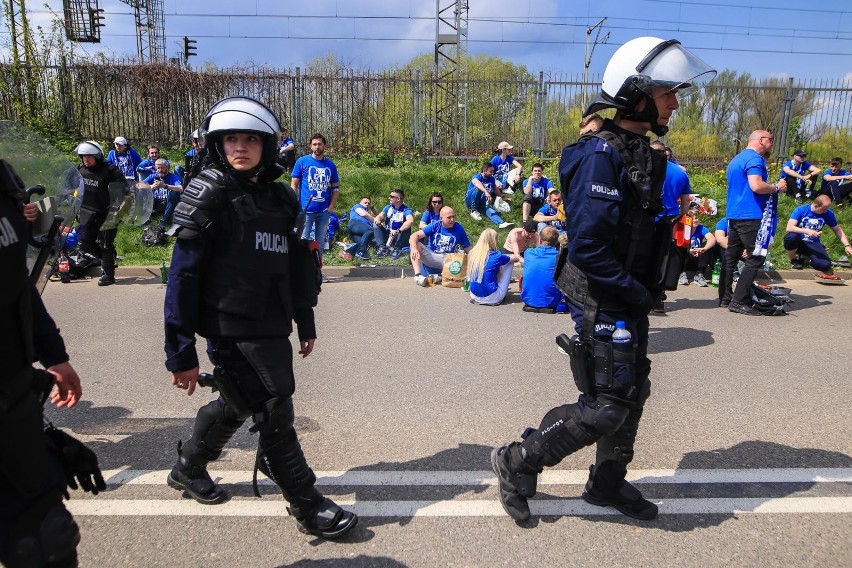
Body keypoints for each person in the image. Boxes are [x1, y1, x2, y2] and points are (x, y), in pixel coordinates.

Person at [491, 36, 716, 523]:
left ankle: (607, 484)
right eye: (666, 92)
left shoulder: (642, 153)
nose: (675, 101)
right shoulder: (601, 155)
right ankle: (516, 460)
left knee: (633, 390)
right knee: (605, 407)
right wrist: (634, 291)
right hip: (603, 295)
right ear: (636, 94)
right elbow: (590, 246)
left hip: (626, 295)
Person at [164, 96, 357, 539]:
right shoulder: (207, 193)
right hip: (228, 326)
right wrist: (180, 352)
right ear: (218, 143)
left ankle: (188, 467)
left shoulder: (280, 197)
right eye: (231, 138)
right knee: (274, 408)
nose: (240, 147)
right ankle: (307, 504)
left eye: (251, 139)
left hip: (272, 324)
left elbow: (298, 266)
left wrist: (305, 322)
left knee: (236, 402)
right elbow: (182, 277)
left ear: (268, 145)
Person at [1, 165, 104, 568]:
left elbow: (15, 281)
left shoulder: (3, 181)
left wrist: (54, 356)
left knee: (47, 535)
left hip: (12, 388)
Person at [720, 130, 786, 315]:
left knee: (731, 257)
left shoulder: (737, 159)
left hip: (734, 214)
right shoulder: (755, 159)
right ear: (761, 140)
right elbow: (756, 185)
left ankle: (725, 298)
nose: (772, 144)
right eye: (770, 140)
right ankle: (738, 301)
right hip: (750, 215)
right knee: (756, 257)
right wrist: (776, 187)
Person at [75, 140, 128, 286]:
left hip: (107, 214)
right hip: (86, 212)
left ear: (98, 156)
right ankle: (108, 257)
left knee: (105, 244)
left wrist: (118, 210)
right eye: (83, 156)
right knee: (84, 244)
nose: (86, 159)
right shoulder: (79, 169)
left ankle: (108, 274)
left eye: (89, 156)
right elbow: (72, 187)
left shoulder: (110, 171)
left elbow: (123, 190)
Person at [291, 133, 340, 261]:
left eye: (319, 144)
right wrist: (294, 203)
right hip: (306, 210)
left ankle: (317, 272)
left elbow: (335, 188)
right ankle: (302, 272)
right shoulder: (302, 162)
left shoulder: (330, 165)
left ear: (324, 146)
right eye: (314, 144)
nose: (317, 147)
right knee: (302, 241)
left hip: (324, 211)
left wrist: (330, 207)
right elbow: (294, 184)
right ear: (310, 146)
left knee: (319, 244)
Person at [784, 194, 852, 279]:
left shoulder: (828, 213)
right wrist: (806, 231)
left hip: (813, 242)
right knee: (791, 237)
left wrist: (847, 245)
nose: (826, 211)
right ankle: (793, 260)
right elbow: (789, 227)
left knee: (825, 265)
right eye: (824, 209)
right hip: (798, 240)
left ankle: (806, 257)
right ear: (816, 206)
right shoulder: (801, 210)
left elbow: (837, 230)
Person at [408, 206, 471, 286]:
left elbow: (467, 247)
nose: (452, 220)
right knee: (416, 244)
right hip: (433, 256)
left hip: (449, 260)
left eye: (453, 217)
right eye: (449, 217)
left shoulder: (459, 228)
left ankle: (439, 277)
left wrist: (477, 257)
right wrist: (414, 248)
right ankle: (418, 276)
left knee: (466, 258)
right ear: (441, 218)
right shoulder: (435, 225)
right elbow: (414, 235)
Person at [468, 228, 520, 305]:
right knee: (509, 262)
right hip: (491, 298)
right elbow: (516, 258)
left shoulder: (473, 253)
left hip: (474, 295)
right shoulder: (496, 256)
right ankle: (498, 291)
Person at [520, 225, 561, 311]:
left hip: (528, 299)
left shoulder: (528, 253)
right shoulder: (559, 257)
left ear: (540, 240)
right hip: (551, 301)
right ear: (556, 241)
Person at [465, 162, 513, 229]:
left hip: (483, 201)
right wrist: (485, 191)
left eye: (493, 171)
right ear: (484, 171)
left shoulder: (492, 179)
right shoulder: (477, 176)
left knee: (490, 209)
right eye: (490, 171)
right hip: (470, 200)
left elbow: (495, 189)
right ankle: (473, 210)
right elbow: (475, 182)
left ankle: (501, 223)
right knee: (479, 189)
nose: (492, 173)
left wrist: (502, 198)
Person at [678, 203, 717, 287]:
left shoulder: (701, 228)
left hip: (698, 259)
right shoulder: (682, 228)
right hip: (685, 259)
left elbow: (712, 239)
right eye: (692, 218)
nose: (695, 220)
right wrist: (689, 250)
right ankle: (682, 273)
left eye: (696, 218)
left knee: (708, 245)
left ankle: (699, 274)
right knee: (682, 246)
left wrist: (703, 249)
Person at [373, 188, 415, 260]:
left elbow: (410, 221)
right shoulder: (388, 207)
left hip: (398, 235)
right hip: (388, 234)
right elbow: (380, 216)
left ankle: (397, 248)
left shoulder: (406, 210)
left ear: (398, 199)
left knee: (406, 227)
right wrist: (378, 220)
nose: (389, 198)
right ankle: (383, 247)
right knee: (375, 225)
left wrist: (398, 231)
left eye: (391, 196)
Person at [143, 158, 182, 228]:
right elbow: (139, 185)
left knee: (174, 192)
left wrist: (165, 186)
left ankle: (165, 221)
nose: (160, 170)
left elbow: (180, 188)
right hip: (156, 203)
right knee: (143, 190)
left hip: (168, 204)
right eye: (158, 168)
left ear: (168, 168)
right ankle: (145, 219)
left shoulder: (173, 177)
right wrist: (150, 186)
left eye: (163, 168)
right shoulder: (153, 176)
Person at [339, 196, 376, 261]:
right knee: (371, 230)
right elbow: (363, 214)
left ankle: (347, 252)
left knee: (362, 243)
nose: (367, 204)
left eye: (369, 203)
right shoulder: (357, 206)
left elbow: (376, 216)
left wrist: (372, 208)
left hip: (358, 231)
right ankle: (360, 251)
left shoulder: (368, 213)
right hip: (356, 224)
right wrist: (374, 220)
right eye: (365, 202)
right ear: (360, 202)